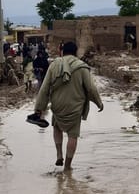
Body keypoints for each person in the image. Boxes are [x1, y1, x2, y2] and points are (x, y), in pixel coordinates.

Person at [31, 41, 103, 171]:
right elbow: (91, 89)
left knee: (57, 128)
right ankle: (67, 166)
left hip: (57, 105)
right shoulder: (82, 67)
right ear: (75, 53)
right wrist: (99, 102)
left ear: (63, 51)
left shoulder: (54, 65)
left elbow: (44, 88)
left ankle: (59, 154)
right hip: (75, 107)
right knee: (72, 135)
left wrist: (39, 109)